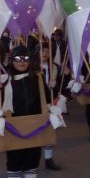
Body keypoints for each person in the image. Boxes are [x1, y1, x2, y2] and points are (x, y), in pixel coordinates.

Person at [0, 45, 51, 178]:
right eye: (18, 58)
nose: (22, 62)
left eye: (25, 58)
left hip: (34, 125)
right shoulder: (5, 80)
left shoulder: (37, 78)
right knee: (14, 161)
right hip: (13, 126)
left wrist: (51, 87)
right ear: (12, 60)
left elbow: (46, 99)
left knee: (33, 159)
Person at [39, 42, 61, 170]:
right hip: (35, 103)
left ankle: (48, 159)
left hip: (50, 102)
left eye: (47, 51)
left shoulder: (54, 67)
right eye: (42, 50)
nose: (45, 54)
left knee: (50, 129)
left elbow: (60, 86)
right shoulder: (32, 66)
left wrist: (55, 85)